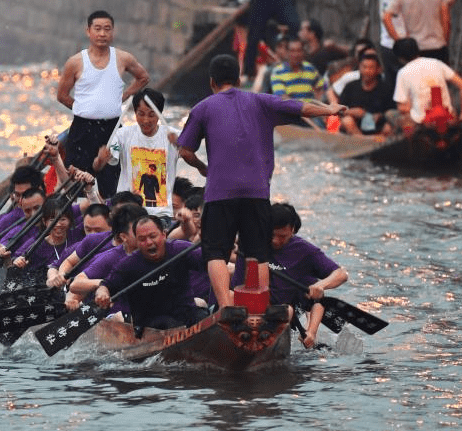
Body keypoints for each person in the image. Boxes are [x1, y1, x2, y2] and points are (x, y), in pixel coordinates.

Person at [176, 54, 346, 310]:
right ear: (239, 78)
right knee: (258, 253)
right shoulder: (262, 102)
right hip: (257, 192)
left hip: (220, 193)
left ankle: (225, 309)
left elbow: (185, 151)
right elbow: (301, 107)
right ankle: (261, 308)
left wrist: (203, 168)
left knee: (216, 253)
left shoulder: (203, 107)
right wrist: (330, 109)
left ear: (212, 82)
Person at [56, 10, 150, 198]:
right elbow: (62, 95)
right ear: (88, 31)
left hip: (112, 128)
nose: (102, 34)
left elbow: (143, 78)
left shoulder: (123, 58)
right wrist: (83, 108)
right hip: (82, 129)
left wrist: (122, 97)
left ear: (112, 32)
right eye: (97, 29)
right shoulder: (75, 62)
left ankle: (110, 221)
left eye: (107, 29)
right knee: (75, 185)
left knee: (112, 184)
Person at [233, 203, 348, 348]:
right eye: (272, 234)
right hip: (243, 306)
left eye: (282, 236)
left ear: (292, 230)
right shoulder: (252, 241)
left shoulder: (304, 251)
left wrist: (321, 285)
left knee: (289, 310)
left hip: (277, 313)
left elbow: (341, 274)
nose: (275, 240)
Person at [94, 215, 210, 331]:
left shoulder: (179, 249)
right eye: (142, 239)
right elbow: (105, 285)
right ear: (137, 242)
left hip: (187, 315)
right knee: (167, 324)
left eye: (153, 236)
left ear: (163, 235)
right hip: (151, 327)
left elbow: (211, 261)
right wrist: (102, 294)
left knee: (204, 317)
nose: (149, 242)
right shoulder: (129, 265)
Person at [92, 87, 181, 217]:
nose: (146, 120)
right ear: (135, 112)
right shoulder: (122, 135)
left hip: (160, 214)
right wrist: (100, 159)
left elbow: (192, 158)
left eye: (151, 115)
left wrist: (181, 146)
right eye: (141, 114)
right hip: (127, 212)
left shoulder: (174, 136)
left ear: (160, 114)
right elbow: (97, 167)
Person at [390, 37, 462, 131]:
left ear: (400, 58)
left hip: (422, 123)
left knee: (391, 115)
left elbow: (402, 108)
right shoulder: (436, 63)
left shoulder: (402, 73)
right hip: (448, 117)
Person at [270, 38, 326, 104]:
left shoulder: (310, 68)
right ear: (287, 52)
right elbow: (282, 98)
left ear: (303, 52)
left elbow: (322, 87)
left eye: (299, 50)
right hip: (290, 111)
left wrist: (319, 102)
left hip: (312, 111)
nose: (296, 54)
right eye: (292, 51)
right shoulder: (278, 72)